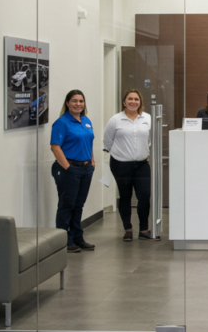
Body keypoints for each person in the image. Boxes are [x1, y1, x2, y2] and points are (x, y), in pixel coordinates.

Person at [103, 89, 153, 242]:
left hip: (142, 165)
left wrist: (143, 152)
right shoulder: (116, 120)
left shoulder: (147, 118)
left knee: (144, 196)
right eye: (130, 99)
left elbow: (149, 139)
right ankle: (128, 229)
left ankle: (144, 229)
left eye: (136, 99)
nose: (133, 102)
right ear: (124, 102)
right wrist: (121, 154)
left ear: (140, 102)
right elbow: (107, 141)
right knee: (125, 197)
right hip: (120, 164)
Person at [50, 89, 96, 253]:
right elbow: (55, 147)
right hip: (69, 168)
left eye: (81, 101)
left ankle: (78, 238)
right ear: (67, 103)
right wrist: (68, 168)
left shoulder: (86, 120)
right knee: (66, 205)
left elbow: (89, 142)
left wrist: (91, 160)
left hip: (86, 168)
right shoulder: (62, 122)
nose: (78, 104)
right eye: (75, 101)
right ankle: (64, 241)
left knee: (79, 205)